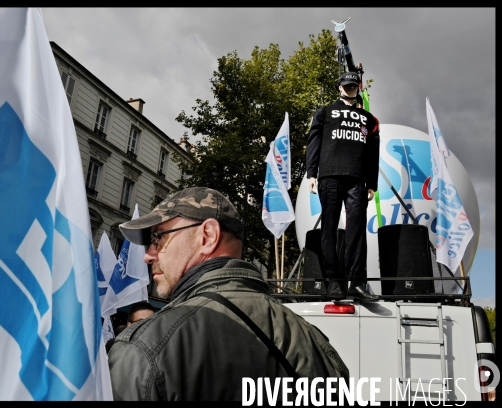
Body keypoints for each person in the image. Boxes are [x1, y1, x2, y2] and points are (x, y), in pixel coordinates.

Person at [107, 187, 349, 401]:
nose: (148, 255)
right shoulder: (314, 341)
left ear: (208, 236)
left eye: (158, 237)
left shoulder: (146, 344)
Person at [306, 71, 380, 301]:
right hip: (329, 176)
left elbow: (372, 152)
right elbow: (314, 142)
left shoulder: (368, 118)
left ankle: (357, 283)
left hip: (357, 179)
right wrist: (311, 172)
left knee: (356, 231)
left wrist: (372, 183)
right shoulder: (325, 112)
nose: (350, 89)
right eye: (346, 86)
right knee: (328, 228)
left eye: (353, 86)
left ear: (358, 88)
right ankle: (332, 283)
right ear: (339, 87)